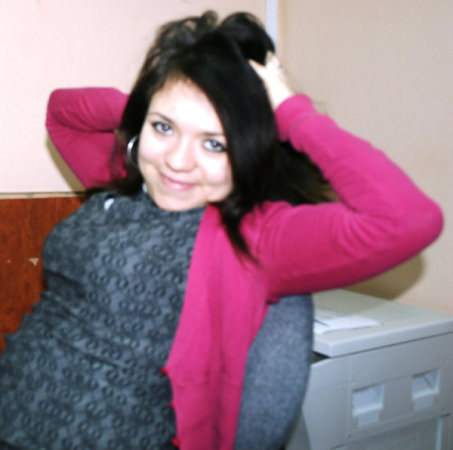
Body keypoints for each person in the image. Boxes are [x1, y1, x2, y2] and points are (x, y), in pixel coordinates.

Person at [0, 10, 443, 450]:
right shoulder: (135, 180)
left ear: (250, 148)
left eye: (214, 143)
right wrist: (167, 96)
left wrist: (291, 113)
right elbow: (63, 113)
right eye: (163, 128)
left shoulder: (256, 237)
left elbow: (407, 220)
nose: (178, 161)